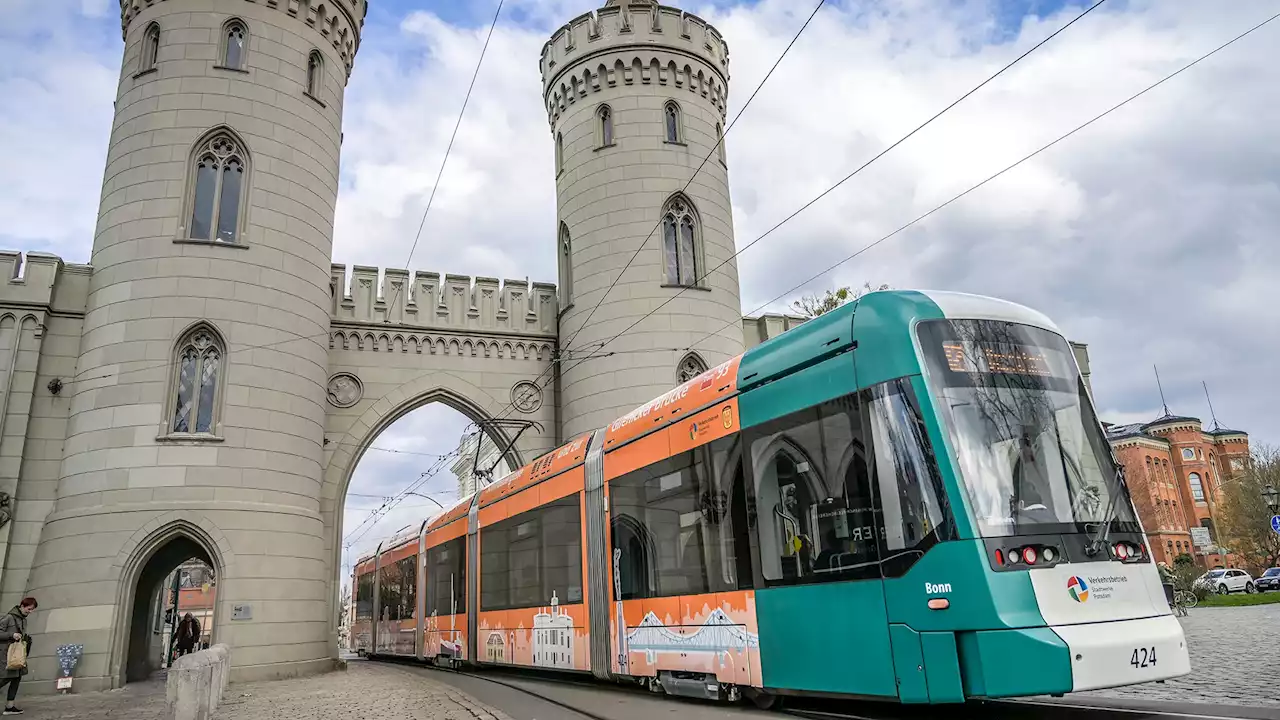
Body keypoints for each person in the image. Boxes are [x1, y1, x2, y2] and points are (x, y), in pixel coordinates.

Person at [0, 597, 37, 715]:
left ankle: (9, 706)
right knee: (4, 678)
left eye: (32, 610)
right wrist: (12, 634)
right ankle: (9, 707)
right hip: (7, 654)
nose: (30, 612)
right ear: (22, 605)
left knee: (17, 677)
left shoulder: (23, 620)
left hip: (17, 654)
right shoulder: (9, 617)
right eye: (29, 609)